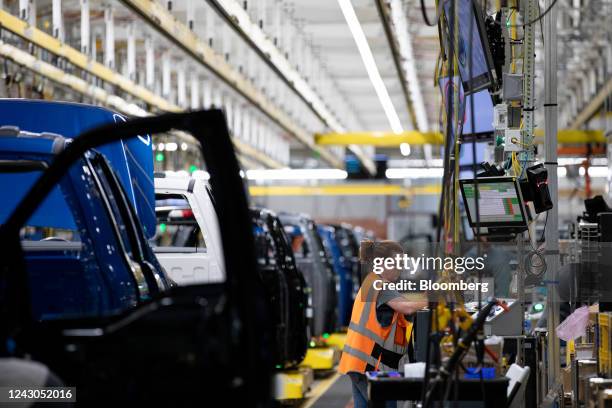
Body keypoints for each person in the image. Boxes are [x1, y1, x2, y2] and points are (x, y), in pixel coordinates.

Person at [338, 240, 428, 408]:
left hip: (358, 363)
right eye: (397, 263)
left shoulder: (372, 282)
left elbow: (404, 304)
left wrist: (425, 297)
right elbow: (406, 308)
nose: (400, 268)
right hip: (369, 366)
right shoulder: (380, 286)